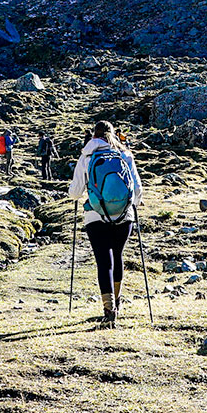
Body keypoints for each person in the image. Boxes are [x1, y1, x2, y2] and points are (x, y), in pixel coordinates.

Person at [68, 120, 143, 327]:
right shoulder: (125, 155)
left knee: (104, 261)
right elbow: (137, 191)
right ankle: (117, 302)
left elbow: (74, 193)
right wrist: (131, 204)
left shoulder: (87, 156)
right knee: (117, 256)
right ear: (114, 135)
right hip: (124, 216)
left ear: (94, 135)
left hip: (95, 217)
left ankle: (109, 310)